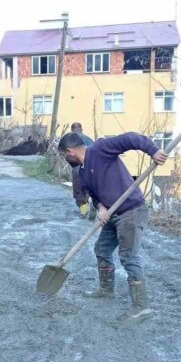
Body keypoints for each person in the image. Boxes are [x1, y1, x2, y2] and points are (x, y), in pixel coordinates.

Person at [58, 131, 168, 321]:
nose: (65, 159)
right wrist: (100, 207)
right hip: (111, 214)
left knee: (128, 257)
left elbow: (130, 138)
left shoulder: (100, 149)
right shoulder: (82, 171)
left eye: (63, 155)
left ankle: (141, 307)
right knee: (101, 249)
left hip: (131, 212)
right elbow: (94, 195)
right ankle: (106, 290)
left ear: (70, 152)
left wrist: (153, 151)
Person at [69, 123, 95, 219]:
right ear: (81, 129)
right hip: (91, 167)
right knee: (88, 189)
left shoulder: (71, 140)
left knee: (79, 192)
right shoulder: (89, 140)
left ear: (72, 130)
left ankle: (84, 212)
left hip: (77, 167)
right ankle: (91, 201)